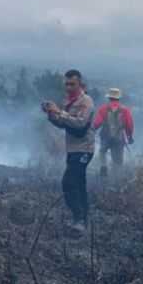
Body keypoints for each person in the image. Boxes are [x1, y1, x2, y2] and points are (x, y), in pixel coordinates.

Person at [42, 69, 95, 233]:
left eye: (72, 84)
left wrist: (59, 112)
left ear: (80, 84)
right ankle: (84, 220)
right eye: (67, 84)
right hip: (73, 149)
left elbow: (80, 123)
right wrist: (51, 114)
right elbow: (63, 124)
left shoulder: (86, 102)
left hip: (84, 149)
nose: (68, 87)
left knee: (69, 182)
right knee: (79, 184)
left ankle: (79, 219)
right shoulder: (69, 102)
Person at [92, 88, 135, 177]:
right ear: (119, 98)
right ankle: (116, 178)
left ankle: (103, 166)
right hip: (119, 138)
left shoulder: (103, 109)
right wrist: (129, 137)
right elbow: (129, 125)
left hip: (105, 136)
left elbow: (97, 123)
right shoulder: (125, 110)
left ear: (109, 98)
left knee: (102, 152)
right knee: (118, 161)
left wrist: (92, 132)